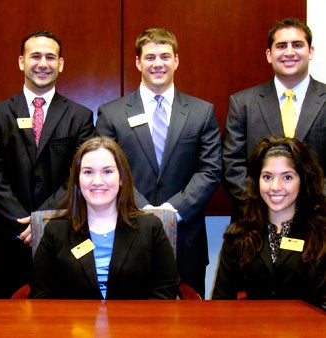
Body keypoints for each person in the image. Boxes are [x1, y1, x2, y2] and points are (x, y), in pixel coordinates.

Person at [96, 27, 222, 298]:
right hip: (128, 232)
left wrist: (171, 210)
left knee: (188, 322)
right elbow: (107, 171)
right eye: (150, 57)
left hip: (186, 237)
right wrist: (143, 210)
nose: (158, 64)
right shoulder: (112, 114)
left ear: (176, 60)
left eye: (165, 56)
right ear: (138, 62)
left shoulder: (202, 112)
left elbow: (210, 169)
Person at [0, 30, 95, 298]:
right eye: (35, 56)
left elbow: (78, 176)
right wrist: (24, 224)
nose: (43, 63)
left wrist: (43, 221)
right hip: (10, 238)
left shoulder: (80, 116)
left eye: (50, 57)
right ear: (21, 61)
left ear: (61, 64)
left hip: (61, 232)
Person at [30, 136, 180, 299]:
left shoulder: (151, 228)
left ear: (122, 177)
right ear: (77, 180)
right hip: (72, 323)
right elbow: (41, 294)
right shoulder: (55, 231)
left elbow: (166, 290)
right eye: (88, 172)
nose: (97, 181)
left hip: (136, 323)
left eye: (107, 171)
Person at [223, 17, 326, 222]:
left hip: (318, 220)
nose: (289, 52)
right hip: (255, 221)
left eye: (297, 45)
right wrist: (267, 206)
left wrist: (311, 204)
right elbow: (232, 165)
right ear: (269, 55)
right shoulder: (243, 103)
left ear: (311, 51)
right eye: (281, 46)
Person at [213, 136, 326, 309]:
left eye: (287, 177)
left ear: (302, 181)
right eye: (267, 177)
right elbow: (220, 304)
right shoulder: (239, 235)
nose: (275, 186)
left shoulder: (320, 232)